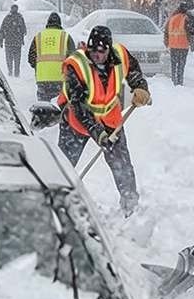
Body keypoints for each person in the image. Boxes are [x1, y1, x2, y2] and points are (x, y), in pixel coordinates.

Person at [57, 25, 151, 216]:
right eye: (92, 50)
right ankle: (54, 203)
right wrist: (97, 132)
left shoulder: (120, 55)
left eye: (101, 51)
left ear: (108, 49)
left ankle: (130, 206)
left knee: (122, 164)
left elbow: (132, 69)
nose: (97, 55)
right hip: (77, 122)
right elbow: (79, 106)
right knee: (62, 166)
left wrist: (140, 86)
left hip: (109, 118)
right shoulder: (76, 66)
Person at [27, 12, 73, 101]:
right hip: (61, 79)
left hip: (42, 79)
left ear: (48, 23)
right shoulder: (65, 36)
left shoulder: (39, 36)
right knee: (60, 107)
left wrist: (39, 67)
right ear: (59, 23)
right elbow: (74, 59)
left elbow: (31, 58)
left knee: (44, 109)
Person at [164, 4, 194, 86]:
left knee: (173, 64)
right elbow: (190, 31)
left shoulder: (171, 18)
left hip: (173, 45)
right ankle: (179, 81)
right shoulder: (186, 19)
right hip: (183, 45)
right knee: (181, 65)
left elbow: (166, 31)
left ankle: (173, 80)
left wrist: (166, 42)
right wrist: (192, 42)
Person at [0, 4, 28, 77]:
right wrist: (21, 37)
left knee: (9, 59)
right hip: (17, 43)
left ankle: (10, 72)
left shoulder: (7, 18)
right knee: (17, 59)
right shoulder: (20, 18)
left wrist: (1, 40)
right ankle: (16, 73)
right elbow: (24, 30)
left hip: (9, 43)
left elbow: (2, 30)